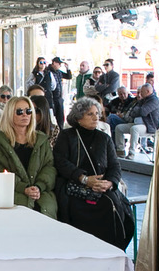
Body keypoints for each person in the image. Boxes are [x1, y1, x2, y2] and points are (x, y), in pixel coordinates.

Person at [54, 96, 131, 247]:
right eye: (90, 114)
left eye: (97, 113)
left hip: (101, 188)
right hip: (74, 187)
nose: (96, 117)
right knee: (73, 208)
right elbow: (61, 162)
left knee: (112, 206)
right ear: (78, 118)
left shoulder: (104, 138)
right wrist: (83, 179)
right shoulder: (67, 136)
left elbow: (115, 166)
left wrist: (109, 183)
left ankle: (109, 250)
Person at [0, 96, 57, 218]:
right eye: (19, 111)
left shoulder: (42, 140)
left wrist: (39, 187)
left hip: (41, 194)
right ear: (9, 115)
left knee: (46, 212)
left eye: (28, 111)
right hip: (11, 194)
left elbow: (49, 167)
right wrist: (24, 188)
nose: (25, 115)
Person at [112, 82, 159, 156]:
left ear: (147, 91)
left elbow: (143, 112)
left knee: (134, 129)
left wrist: (137, 110)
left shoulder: (154, 100)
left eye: (142, 92)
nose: (140, 94)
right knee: (119, 128)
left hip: (149, 126)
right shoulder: (143, 100)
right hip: (139, 123)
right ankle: (120, 150)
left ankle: (131, 152)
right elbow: (132, 111)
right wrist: (138, 110)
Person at [41, 57, 71, 129]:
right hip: (52, 98)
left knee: (60, 118)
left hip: (59, 98)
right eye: (59, 64)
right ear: (54, 63)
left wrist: (68, 69)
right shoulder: (48, 72)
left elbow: (68, 76)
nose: (60, 65)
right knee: (53, 118)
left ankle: (61, 130)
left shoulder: (58, 72)